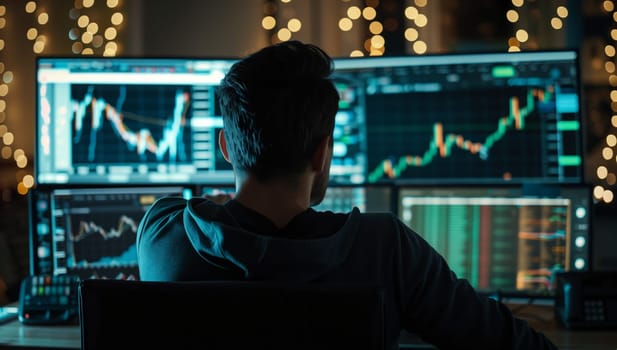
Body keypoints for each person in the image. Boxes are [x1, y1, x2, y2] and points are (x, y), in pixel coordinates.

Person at [136, 40, 558, 350]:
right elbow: (503, 341)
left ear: (226, 147)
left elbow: (207, 216)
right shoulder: (385, 248)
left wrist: (225, 207)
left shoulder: (163, 233)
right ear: (321, 152)